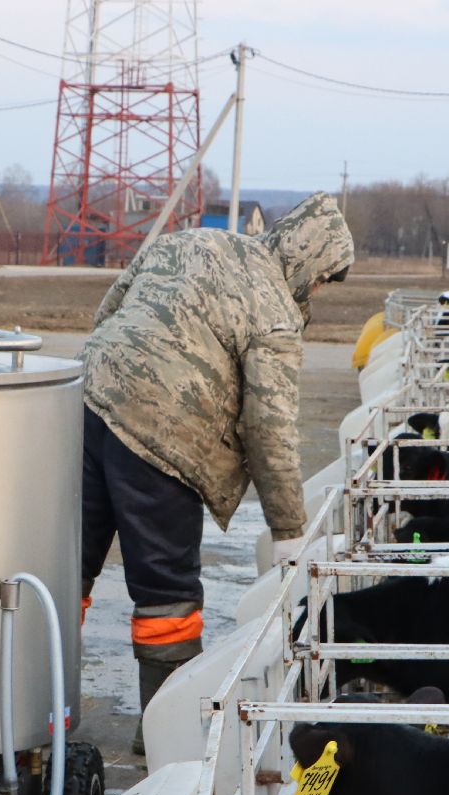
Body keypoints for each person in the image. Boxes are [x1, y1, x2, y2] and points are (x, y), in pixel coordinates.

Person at [79, 192, 354, 753]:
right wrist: (288, 530)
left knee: (67, 568)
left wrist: (109, 383)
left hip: (91, 408)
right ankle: (164, 731)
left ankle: (41, 712)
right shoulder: (274, 308)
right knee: (166, 593)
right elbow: (270, 430)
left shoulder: (188, 240)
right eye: (323, 279)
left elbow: (109, 312)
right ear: (309, 263)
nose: (318, 292)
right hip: (165, 442)